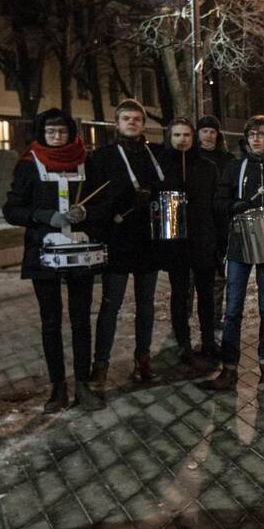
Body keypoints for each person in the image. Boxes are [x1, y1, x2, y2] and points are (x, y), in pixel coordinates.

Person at [3, 108, 100, 412]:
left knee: (82, 320)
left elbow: (102, 203)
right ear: (41, 133)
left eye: (62, 131)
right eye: (50, 132)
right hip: (43, 255)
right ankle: (58, 387)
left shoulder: (87, 161)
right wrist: (45, 216)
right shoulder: (29, 165)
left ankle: (83, 384)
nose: (57, 137)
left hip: (80, 253)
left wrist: (88, 213)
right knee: (50, 322)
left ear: (71, 132)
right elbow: (11, 210)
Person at [205, 115, 264, 389]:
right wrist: (234, 205)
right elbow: (218, 202)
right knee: (233, 308)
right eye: (252, 134)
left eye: (262, 134)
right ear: (246, 138)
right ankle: (229, 367)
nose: (256, 138)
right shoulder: (234, 168)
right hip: (239, 243)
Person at [83, 99, 165, 393]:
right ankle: (100, 365)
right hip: (117, 241)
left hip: (147, 242)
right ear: (116, 123)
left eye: (137, 119)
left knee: (146, 305)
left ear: (143, 124)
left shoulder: (153, 154)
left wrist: (152, 195)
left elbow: (164, 189)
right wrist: (118, 203)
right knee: (110, 305)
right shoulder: (103, 157)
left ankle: (143, 361)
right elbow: (92, 200)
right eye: (126, 118)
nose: (132, 123)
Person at [155, 118, 222, 371]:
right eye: (176, 135)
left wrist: (217, 238)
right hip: (176, 241)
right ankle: (183, 343)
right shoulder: (162, 166)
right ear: (169, 138)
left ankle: (208, 340)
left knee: (206, 292)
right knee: (180, 293)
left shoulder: (207, 166)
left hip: (203, 237)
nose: (182, 139)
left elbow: (215, 204)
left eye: (186, 135)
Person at [196, 115, 234, 339]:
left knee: (219, 275)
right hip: (198, 222)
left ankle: (214, 316)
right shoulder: (192, 157)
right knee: (193, 277)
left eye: (212, 131)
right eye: (204, 131)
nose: (208, 135)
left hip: (220, 223)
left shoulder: (227, 158)